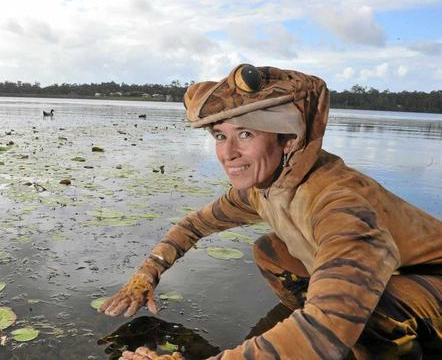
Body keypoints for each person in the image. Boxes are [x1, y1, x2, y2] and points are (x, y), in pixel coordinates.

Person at [98, 64, 442, 359]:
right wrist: (146, 274)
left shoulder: (338, 202)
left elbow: (330, 321)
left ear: (288, 139)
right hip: (396, 276)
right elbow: (193, 225)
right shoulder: (261, 188)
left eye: (245, 134)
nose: (228, 153)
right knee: (269, 251)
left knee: (362, 311)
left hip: (433, 281)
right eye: (220, 136)